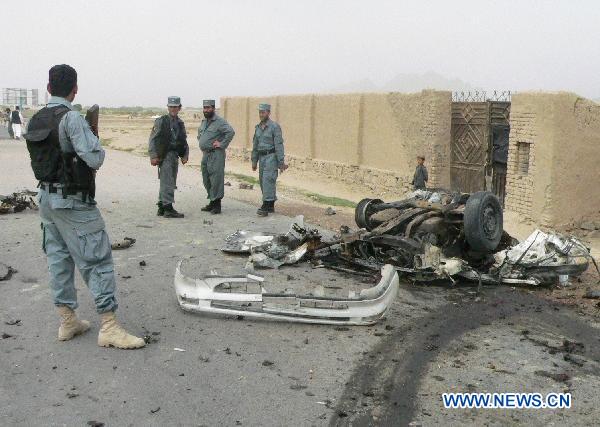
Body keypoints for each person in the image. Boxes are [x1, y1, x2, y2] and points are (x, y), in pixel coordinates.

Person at [24, 64, 145, 349]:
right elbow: (95, 158)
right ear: (75, 89)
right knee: (97, 259)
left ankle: (68, 321)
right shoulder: (72, 119)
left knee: (59, 259)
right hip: (73, 202)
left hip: (46, 201)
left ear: (49, 88)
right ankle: (110, 327)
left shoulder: (36, 118)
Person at [148, 96, 189, 218]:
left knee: (169, 181)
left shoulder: (180, 123)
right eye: (171, 106)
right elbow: (153, 139)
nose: (173, 109)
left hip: (174, 154)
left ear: (179, 108)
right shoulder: (161, 121)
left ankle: (161, 206)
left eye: (175, 107)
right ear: (167, 107)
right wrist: (153, 156)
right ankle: (168, 208)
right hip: (164, 155)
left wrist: (185, 154)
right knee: (168, 182)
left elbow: (183, 140)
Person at [197, 99, 235, 214]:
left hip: (216, 154)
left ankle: (217, 205)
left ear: (213, 108)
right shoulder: (204, 121)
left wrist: (221, 144)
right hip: (206, 154)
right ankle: (211, 201)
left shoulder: (219, 121)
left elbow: (230, 132)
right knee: (206, 178)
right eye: (204, 108)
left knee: (216, 179)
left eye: (208, 108)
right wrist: (202, 143)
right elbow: (200, 134)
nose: (206, 110)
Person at [251, 103, 287, 216]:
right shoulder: (258, 128)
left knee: (268, 180)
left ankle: (266, 205)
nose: (261, 114)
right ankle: (270, 204)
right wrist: (254, 160)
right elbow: (255, 145)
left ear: (268, 113)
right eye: (260, 112)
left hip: (271, 157)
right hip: (261, 158)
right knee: (262, 181)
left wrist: (281, 161)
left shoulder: (274, 127)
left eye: (263, 112)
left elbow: (279, 145)